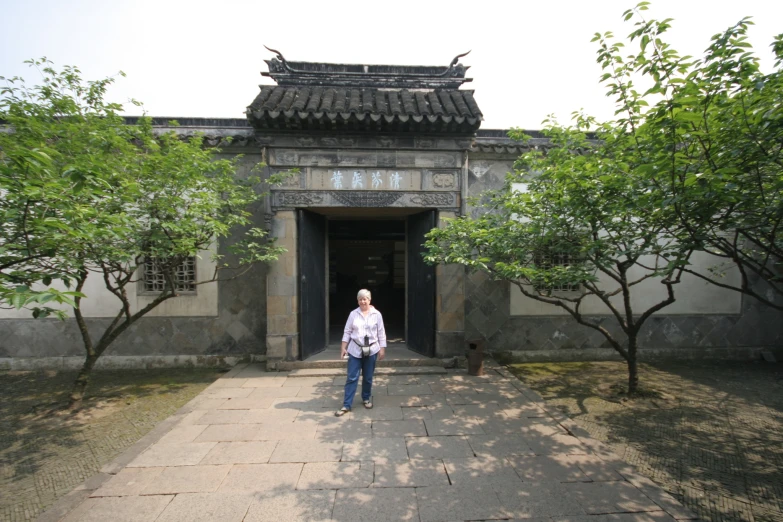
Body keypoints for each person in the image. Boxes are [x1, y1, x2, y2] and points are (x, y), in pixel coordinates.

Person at [335, 289, 386, 416]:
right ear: (357, 301)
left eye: (365, 299)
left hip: (372, 349)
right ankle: (346, 404)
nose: (363, 301)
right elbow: (347, 331)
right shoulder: (353, 314)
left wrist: (382, 348)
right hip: (355, 350)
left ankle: (366, 398)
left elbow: (381, 332)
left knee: (368, 377)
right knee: (352, 377)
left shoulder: (377, 314)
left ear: (369, 300)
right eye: (360, 299)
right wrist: (343, 348)